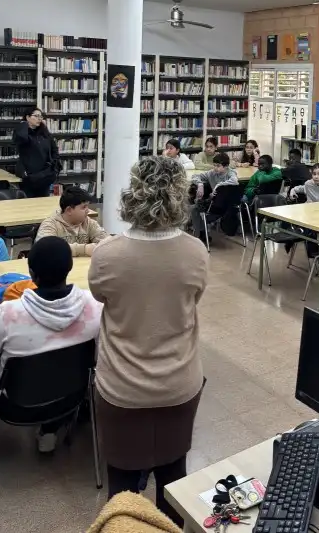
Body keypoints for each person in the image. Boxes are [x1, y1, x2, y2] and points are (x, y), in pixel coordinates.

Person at [88, 156, 208, 527]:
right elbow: (192, 300)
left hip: (121, 388)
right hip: (179, 385)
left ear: (133, 193)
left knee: (122, 491)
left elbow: (100, 297)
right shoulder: (196, 252)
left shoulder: (107, 255)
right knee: (174, 480)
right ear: (180, 195)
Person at [0, 236, 102, 460]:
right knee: (59, 366)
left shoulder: (7, 313)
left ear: (32, 275)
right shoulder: (93, 306)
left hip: (11, 405)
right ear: (69, 268)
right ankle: (49, 432)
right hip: (70, 397)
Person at [36, 186, 108, 256]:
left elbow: (107, 243)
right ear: (69, 210)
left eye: (87, 206)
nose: (88, 211)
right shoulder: (50, 224)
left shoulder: (89, 222)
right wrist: (84, 249)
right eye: (83, 207)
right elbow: (46, 248)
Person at [13, 105, 60, 197]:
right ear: (28, 117)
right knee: (29, 202)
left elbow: (54, 149)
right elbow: (21, 138)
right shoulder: (22, 131)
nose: (39, 119)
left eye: (41, 116)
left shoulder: (44, 133)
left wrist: (54, 164)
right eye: (36, 116)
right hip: (29, 176)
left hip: (45, 175)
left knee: (43, 201)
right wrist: (24, 124)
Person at [189, 153, 239, 239]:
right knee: (194, 208)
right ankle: (202, 233)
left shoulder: (231, 173)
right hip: (214, 202)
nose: (215, 168)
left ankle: (205, 229)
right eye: (214, 165)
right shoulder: (211, 173)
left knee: (199, 207)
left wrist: (218, 186)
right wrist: (200, 184)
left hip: (226, 205)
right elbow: (195, 176)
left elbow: (235, 181)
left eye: (218, 166)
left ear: (226, 166)